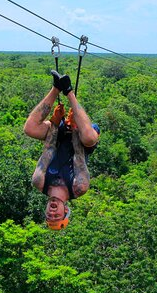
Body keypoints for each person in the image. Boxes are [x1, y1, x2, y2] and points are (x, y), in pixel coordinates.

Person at [24, 70, 100, 230]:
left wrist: (55, 122)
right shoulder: (79, 188)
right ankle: (69, 91)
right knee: (89, 138)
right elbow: (79, 156)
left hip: (56, 137)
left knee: (30, 129)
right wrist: (74, 128)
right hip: (80, 140)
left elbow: (48, 150)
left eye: (49, 215)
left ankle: (56, 88)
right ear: (66, 210)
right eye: (56, 215)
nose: (52, 213)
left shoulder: (39, 182)